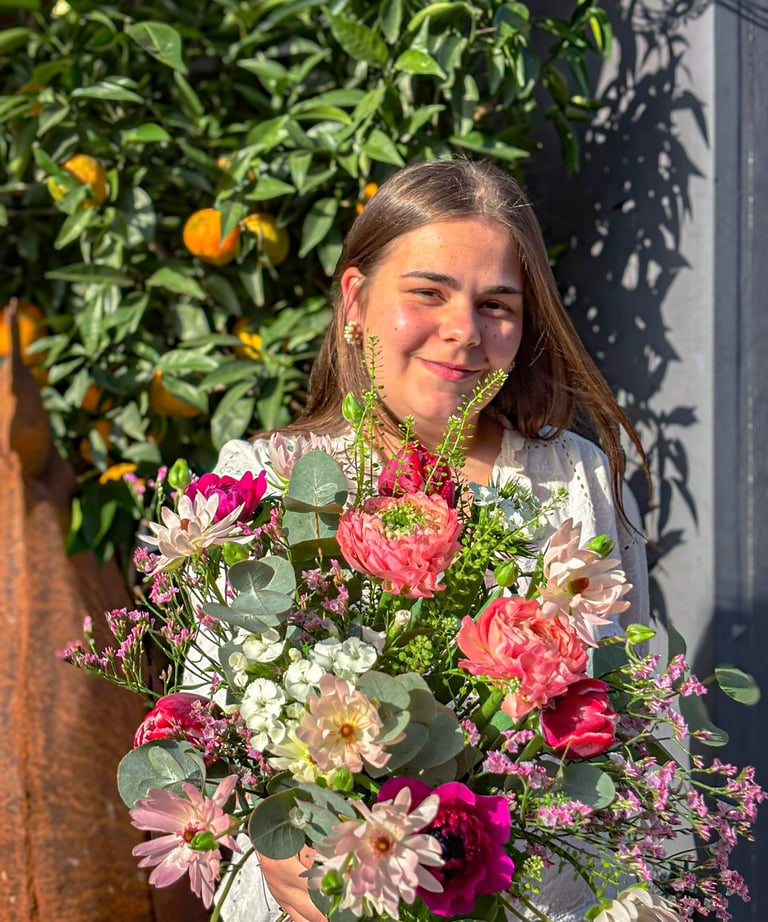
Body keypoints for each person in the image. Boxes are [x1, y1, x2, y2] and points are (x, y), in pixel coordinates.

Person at [207, 158, 650, 922]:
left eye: (497, 304)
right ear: (355, 300)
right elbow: (204, 727)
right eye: (429, 292)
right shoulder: (265, 483)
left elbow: (635, 715)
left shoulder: (575, 480)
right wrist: (266, 837)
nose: (465, 331)